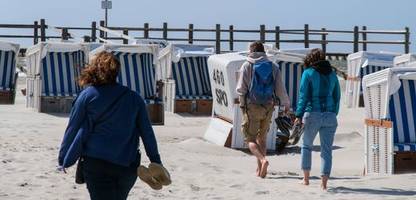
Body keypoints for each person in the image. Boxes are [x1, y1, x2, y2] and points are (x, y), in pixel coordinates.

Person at [58, 52, 163, 200]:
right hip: (127, 164)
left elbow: (73, 128)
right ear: (116, 71)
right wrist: (155, 161)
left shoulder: (87, 96)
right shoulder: (134, 97)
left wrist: (63, 158)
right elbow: (147, 132)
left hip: (96, 163)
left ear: (94, 70)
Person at [236, 41, 290, 178]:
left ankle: (262, 160)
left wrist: (242, 105)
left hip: (251, 106)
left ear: (251, 51)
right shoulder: (273, 66)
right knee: (263, 139)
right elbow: (280, 89)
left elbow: (241, 89)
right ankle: (259, 171)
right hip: (268, 105)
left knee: (250, 140)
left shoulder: (247, 65)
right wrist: (286, 103)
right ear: (263, 51)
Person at [294, 48, 341, 190]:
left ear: (310, 59)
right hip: (330, 116)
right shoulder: (333, 74)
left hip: (312, 114)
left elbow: (304, 96)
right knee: (326, 150)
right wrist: (333, 113)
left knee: (306, 146)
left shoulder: (308, 73)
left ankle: (306, 179)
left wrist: (298, 115)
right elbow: (337, 96)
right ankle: (324, 184)